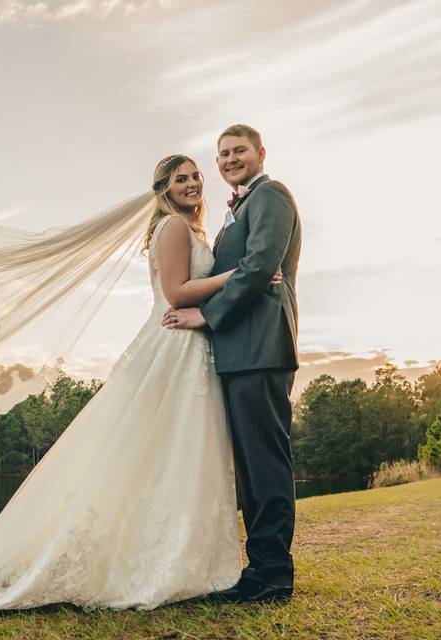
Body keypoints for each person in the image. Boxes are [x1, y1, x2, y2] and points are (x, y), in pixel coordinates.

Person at [0, 154, 279, 614]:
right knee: (162, 448)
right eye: (182, 179)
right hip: (174, 345)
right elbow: (176, 293)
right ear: (163, 190)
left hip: (190, 346)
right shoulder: (174, 228)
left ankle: (173, 555)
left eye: (197, 175)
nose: (194, 183)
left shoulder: (190, 229)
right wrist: (241, 276)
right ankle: (153, 559)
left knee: (170, 453)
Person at [163, 124, 302, 603]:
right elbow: (242, 269)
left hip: (261, 347)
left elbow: (261, 265)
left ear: (261, 153)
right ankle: (259, 570)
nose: (228, 159)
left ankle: (273, 576)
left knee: (265, 465)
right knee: (249, 469)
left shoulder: (271, 195)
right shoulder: (238, 208)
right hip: (239, 353)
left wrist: (207, 314)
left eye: (238, 150)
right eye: (222, 154)